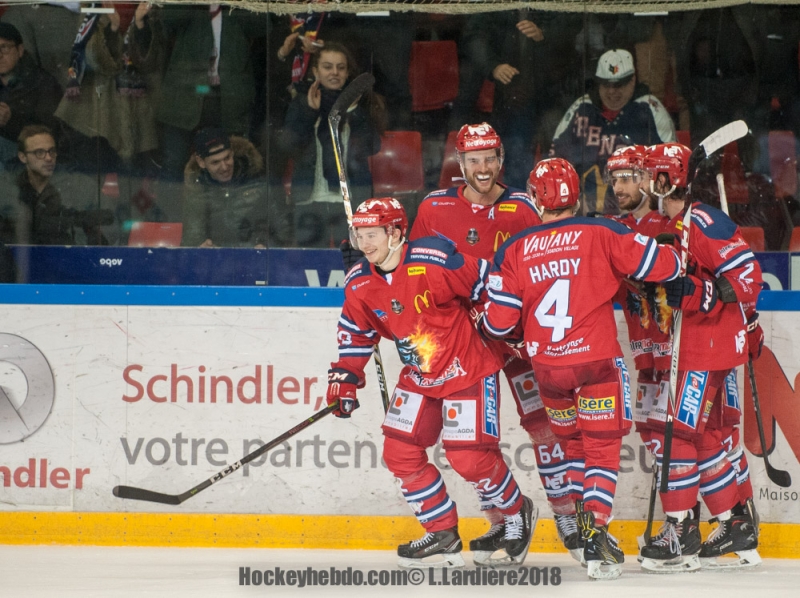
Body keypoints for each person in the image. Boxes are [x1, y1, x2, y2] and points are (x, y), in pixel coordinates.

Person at [479, 157, 682, 580]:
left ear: (535, 198)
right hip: (596, 363)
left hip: (548, 370)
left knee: (572, 445)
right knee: (602, 449)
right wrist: (676, 252)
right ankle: (597, 531)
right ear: (579, 194)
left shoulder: (513, 249)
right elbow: (665, 268)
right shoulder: (603, 231)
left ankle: (583, 527)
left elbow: (498, 324)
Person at [326, 197, 535, 569]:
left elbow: (493, 281)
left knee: (467, 456)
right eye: (358, 235)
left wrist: (500, 324)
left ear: (396, 232)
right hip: (420, 376)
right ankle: (442, 531)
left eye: (371, 234)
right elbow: (356, 334)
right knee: (399, 453)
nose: (364, 243)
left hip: (467, 368)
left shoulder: (435, 258)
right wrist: (345, 379)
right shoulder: (360, 281)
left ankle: (517, 513)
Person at [410, 123, 580, 565]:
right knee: (469, 437)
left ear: (501, 160)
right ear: (460, 164)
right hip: (462, 341)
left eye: (489, 158)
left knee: (544, 424)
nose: (482, 168)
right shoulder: (433, 207)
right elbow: (412, 273)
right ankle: (504, 519)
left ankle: (567, 515)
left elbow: (552, 265)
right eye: (473, 160)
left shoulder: (524, 207)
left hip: (518, 337)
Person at [637, 142, 764, 571]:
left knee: (677, 437)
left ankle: (680, 532)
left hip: (705, 347)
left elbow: (748, 275)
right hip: (699, 344)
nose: (643, 181)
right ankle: (734, 524)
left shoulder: (705, 220)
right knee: (707, 436)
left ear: (664, 179)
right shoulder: (676, 222)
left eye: (649, 173)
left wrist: (700, 293)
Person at [279, 42, 383, 248]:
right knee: (310, 265)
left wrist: (353, 112)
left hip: (351, 200)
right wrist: (309, 113)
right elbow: (289, 147)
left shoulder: (359, 103)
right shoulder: (301, 103)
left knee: (355, 262)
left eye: (340, 67)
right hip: (309, 200)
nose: (334, 72)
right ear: (316, 71)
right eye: (327, 67)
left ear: (347, 73)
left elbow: (372, 147)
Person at [550, 48, 675, 215]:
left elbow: (672, 167)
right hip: (587, 215)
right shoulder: (581, 109)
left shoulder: (650, 109)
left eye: (619, 85)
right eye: (605, 84)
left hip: (637, 217)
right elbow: (553, 162)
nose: (611, 91)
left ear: (633, 80)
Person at [3, 124, 114, 245]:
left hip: (70, 259)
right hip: (20, 260)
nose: (49, 158)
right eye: (39, 152)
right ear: (23, 157)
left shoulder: (82, 186)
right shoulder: (8, 188)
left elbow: (110, 232)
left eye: (52, 151)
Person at [182, 127, 287, 248]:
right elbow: (190, 238)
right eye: (215, 162)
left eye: (227, 158)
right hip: (217, 260)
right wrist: (201, 248)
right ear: (201, 162)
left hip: (257, 259)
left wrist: (265, 245)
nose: (224, 167)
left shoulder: (259, 178)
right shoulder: (196, 189)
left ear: (232, 152)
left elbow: (284, 229)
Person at [0, 22, 62, 167]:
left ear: (20, 50)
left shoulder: (42, 83)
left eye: (5, 47)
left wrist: (10, 120)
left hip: (31, 158)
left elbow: (49, 134)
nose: (0, 55)